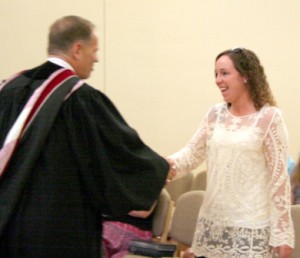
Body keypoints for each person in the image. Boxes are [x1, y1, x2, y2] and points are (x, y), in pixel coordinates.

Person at [0, 15, 171, 257]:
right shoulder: (79, 99)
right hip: (58, 230)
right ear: (77, 49)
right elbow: (115, 155)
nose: (97, 58)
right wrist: (157, 167)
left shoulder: (9, 90)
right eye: (95, 50)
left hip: (7, 224)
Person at [167, 47, 294, 258]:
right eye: (216, 74)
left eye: (224, 73)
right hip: (213, 225)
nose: (217, 79)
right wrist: (161, 166)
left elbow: (279, 180)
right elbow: (190, 155)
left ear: (245, 76)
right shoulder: (215, 114)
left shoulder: (270, 118)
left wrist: (283, 234)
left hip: (251, 230)